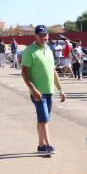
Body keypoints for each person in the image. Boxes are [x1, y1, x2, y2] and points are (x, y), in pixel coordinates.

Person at [21, 25, 66, 155]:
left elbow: (53, 72)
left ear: (48, 36)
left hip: (49, 91)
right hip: (37, 93)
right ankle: (48, 146)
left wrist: (60, 89)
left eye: (45, 35)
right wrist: (34, 90)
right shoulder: (29, 51)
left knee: (42, 119)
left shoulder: (49, 50)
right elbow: (24, 73)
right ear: (35, 36)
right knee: (44, 119)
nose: (43, 38)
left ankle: (40, 146)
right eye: (40, 35)